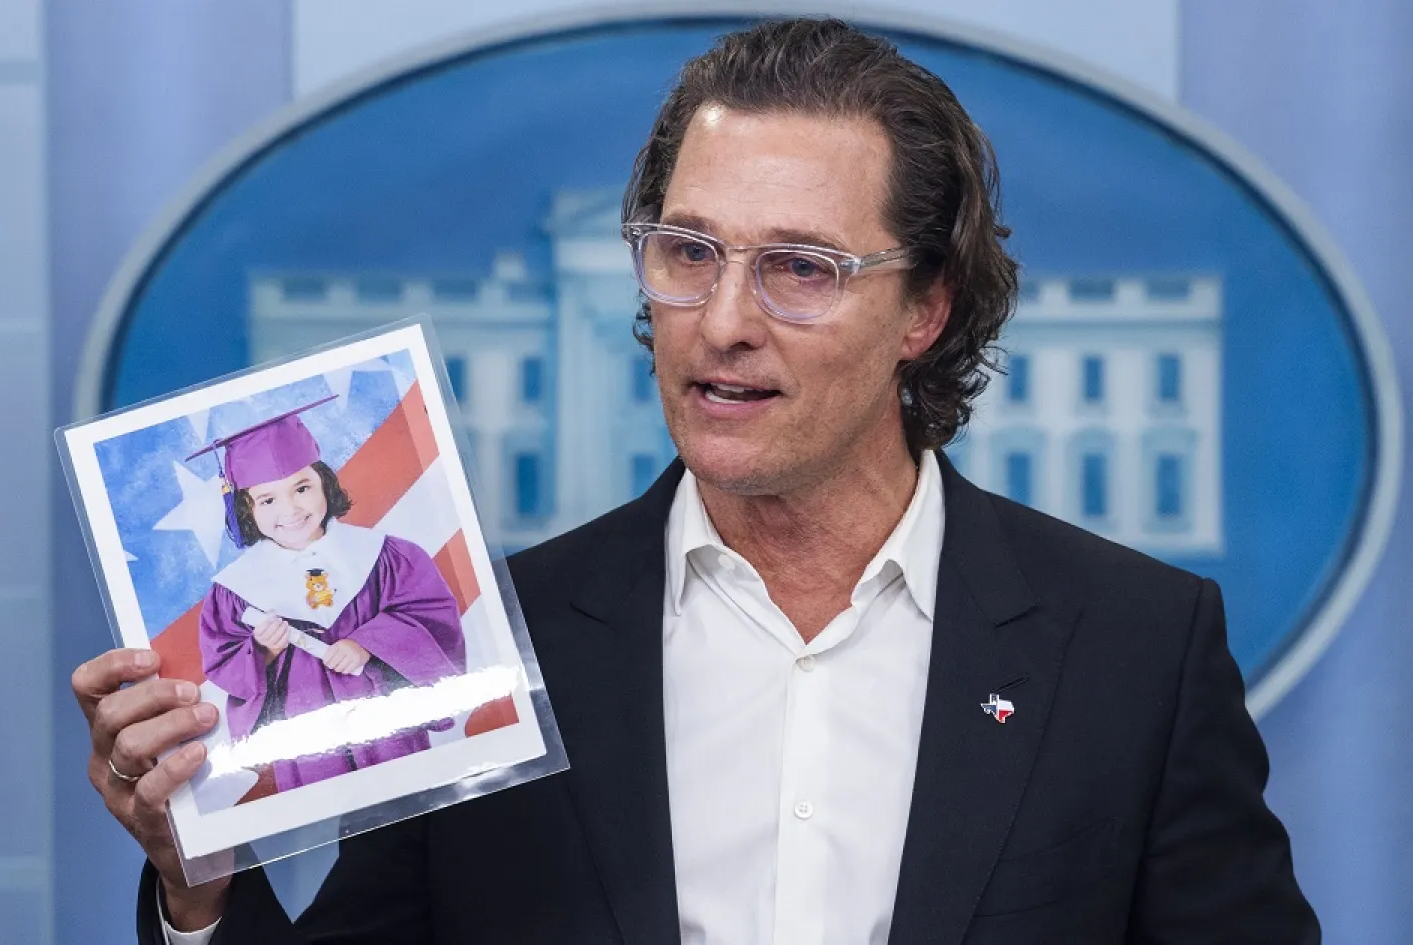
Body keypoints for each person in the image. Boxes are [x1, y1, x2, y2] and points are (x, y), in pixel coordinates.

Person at [71, 18, 1320, 944]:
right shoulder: (489, 646)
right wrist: (201, 892)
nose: (722, 320)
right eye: (689, 252)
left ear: (927, 308)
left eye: (802, 268)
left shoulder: (1135, 649)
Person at [185, 396, 466, 803]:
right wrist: (261, 651)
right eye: (267, 500)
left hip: (384, 718)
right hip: (306, 735)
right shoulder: (234, 590)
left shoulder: (387, 555)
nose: (291, 509)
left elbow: (431, 614)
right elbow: (223, 660)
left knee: (415, 805)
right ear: (245, 509)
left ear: (325, 483)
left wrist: (367, 642)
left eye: (302, 487)